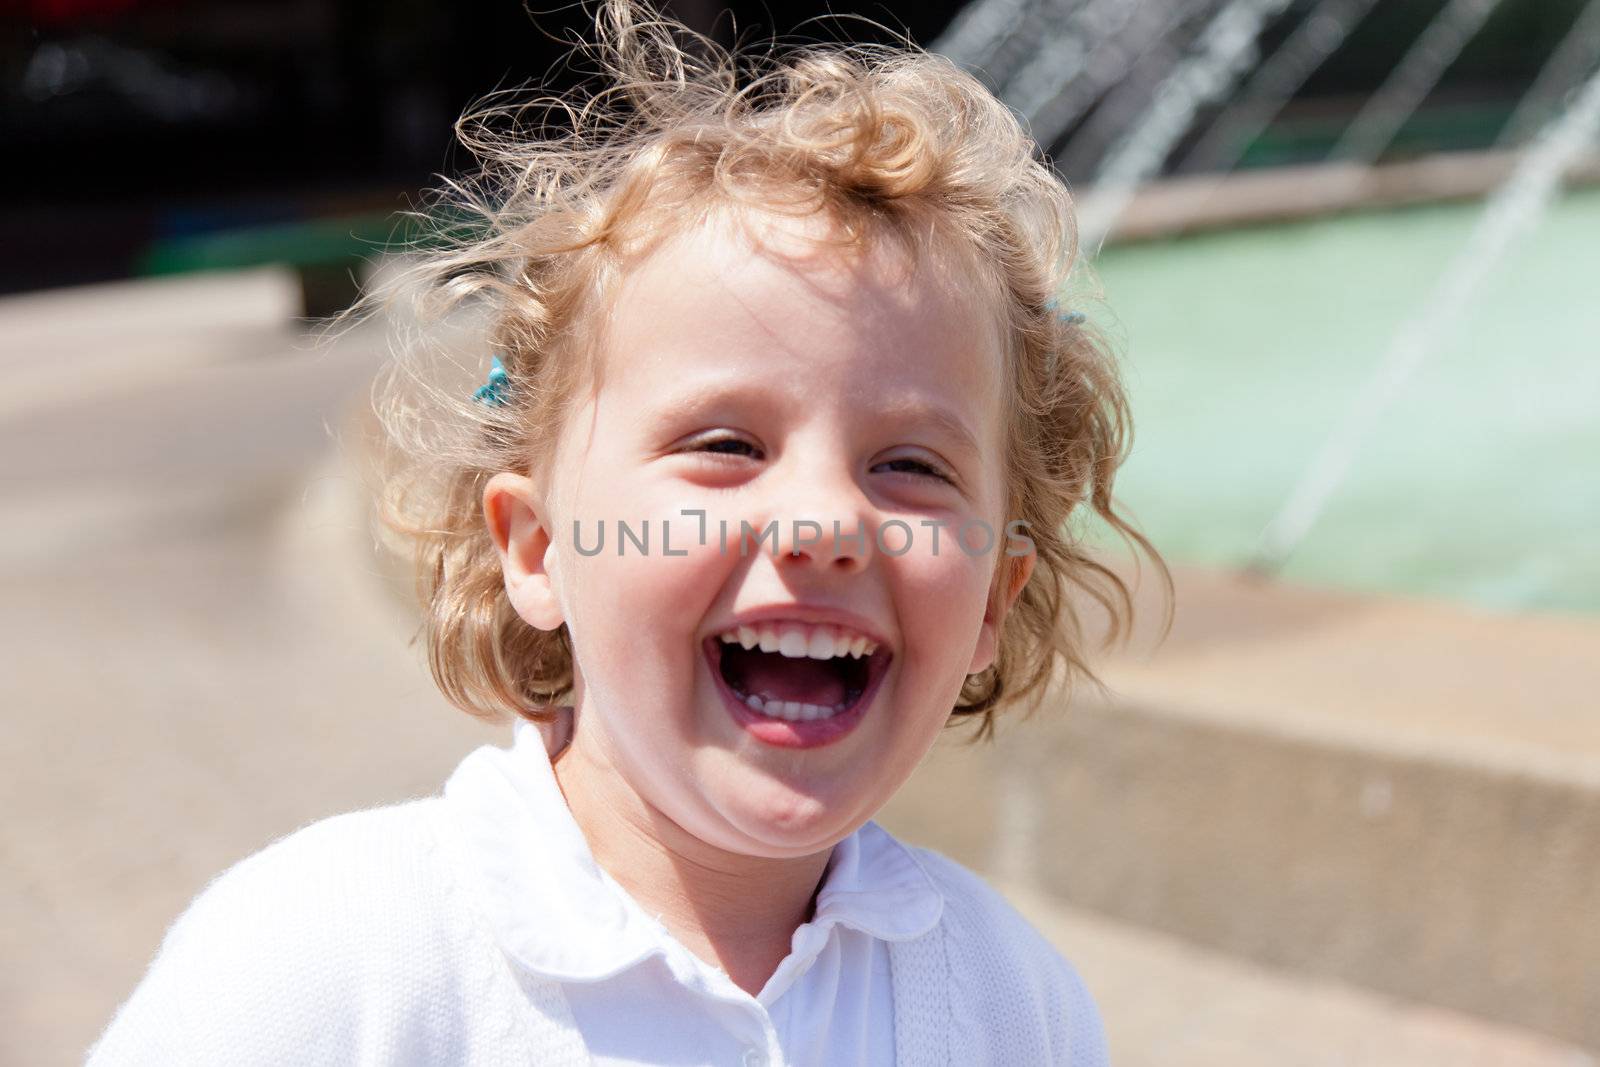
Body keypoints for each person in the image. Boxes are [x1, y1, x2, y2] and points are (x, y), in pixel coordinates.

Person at [87, 2, 1166, 1063]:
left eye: (910, 466)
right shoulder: (333, 960)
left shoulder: (1008, 1005)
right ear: (536, 548)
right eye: (726, 444)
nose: (829, 519)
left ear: (994, 596)